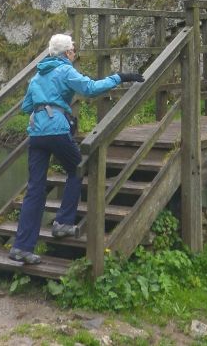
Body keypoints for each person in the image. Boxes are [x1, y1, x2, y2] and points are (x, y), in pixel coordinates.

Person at [9, 33, 144, 264]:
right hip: (57, 130)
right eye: (73, 49)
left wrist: (45, 101)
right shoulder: (65, 70)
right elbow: (90, 88)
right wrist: (120, 77)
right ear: (67, 53)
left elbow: (26, 107)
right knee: (77, 168)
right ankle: (63, 223)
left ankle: (21, 247)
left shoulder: (37, 75)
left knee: (35, 189)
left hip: (37, 134)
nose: (74, 53)